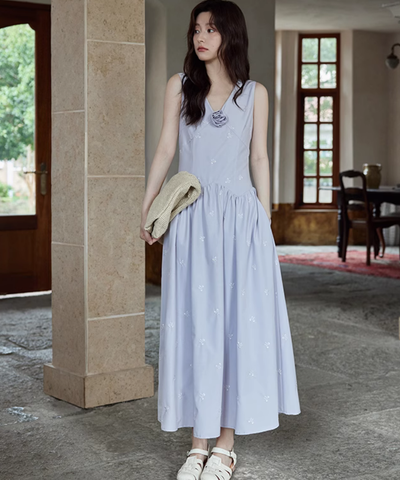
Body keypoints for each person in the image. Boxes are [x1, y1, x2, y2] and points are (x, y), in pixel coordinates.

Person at [140, 1, 301, 478]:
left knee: (234, 328)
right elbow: (165, 149)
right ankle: (197, 445)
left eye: (210, 29)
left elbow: (259, 158)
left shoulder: (255, 94)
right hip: (192, 219)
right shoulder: (179, 87)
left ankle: (225, 447)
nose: (200, 37)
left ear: (230, 34)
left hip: (240, 221)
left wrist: (265, 221)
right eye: (196, 29)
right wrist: (147, 207)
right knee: (196, 327)